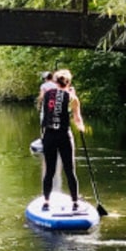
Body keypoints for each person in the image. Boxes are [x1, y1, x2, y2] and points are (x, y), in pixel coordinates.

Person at [39, 68, 86, 211]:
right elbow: (77, 120)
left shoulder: (47, 95)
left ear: (55, 81)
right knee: (70, 170)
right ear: (68, 82)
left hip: (49, 136)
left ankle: (46, 201)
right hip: (64, 136)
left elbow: (44, 112)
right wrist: (82, 128)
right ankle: (75, 202)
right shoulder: (72, 98)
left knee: (50, 170)